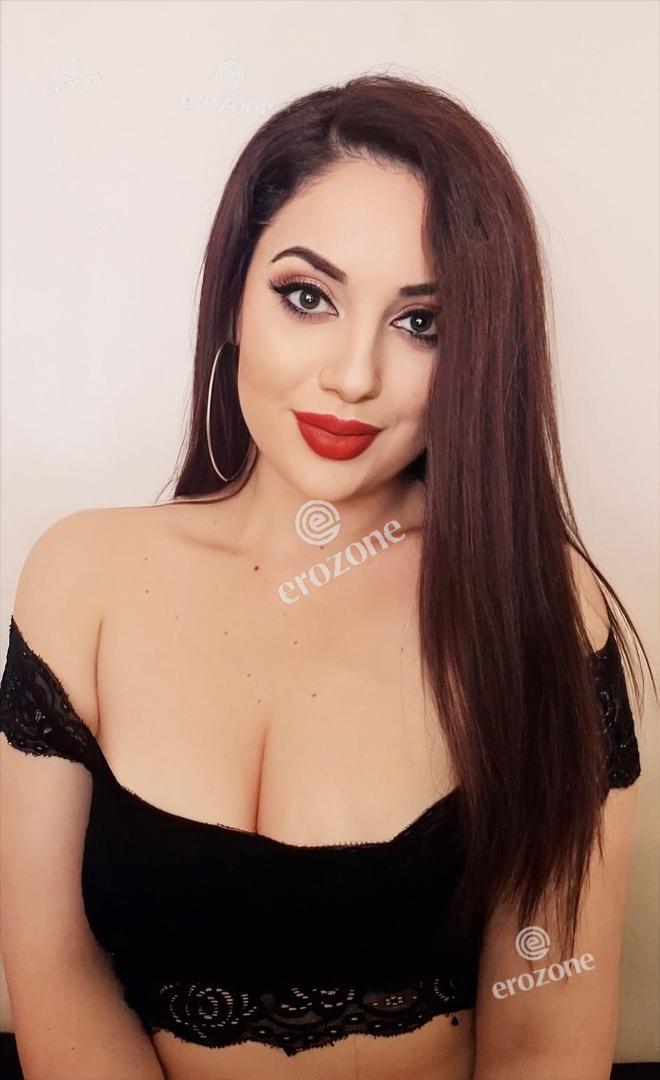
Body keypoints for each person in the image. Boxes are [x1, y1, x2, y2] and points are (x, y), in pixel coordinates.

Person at [0, 73, 652, 1080]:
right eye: (307, 297)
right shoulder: (80, 579)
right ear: (232, 297)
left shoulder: (534, 607)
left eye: (422, 323)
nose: (353, 375)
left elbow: (543, 1036)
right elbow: (54, 965)